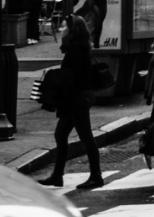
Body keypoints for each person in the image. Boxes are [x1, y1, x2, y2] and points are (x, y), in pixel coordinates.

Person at [35, 16, 104, 189]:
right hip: (77, 97)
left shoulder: (75, 51)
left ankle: (96, 176)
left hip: (78, 98)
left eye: (64, 26)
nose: (60, 29)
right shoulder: (77, 48)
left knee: (86, 137)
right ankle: (57, 176)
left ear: (72, 30)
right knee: (61, 134)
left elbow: (70, 78)